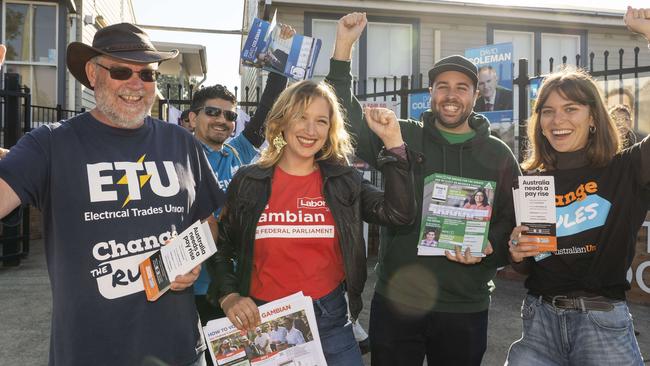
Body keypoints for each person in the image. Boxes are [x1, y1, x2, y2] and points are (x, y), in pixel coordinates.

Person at [0, 23, 225, 366]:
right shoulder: (50, 144)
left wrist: (192, 256)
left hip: (178, 352)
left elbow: (209, 220)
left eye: (148, 74)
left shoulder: (182, 144)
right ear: (93, 73)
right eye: (121, 70)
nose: (137, 84)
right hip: (88, 354)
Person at [326, 12, 521, 366]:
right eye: (442, 86)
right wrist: (344, 48)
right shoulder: (402, 134)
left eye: (462, 87)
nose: (451, 95)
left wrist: (490, 248)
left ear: (475, 95)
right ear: (430, 92)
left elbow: (514, 224)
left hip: (465, 306)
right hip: (397, 302)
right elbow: (345, 122)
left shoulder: (499, 153)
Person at [207, 80, 416, 366]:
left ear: (330, 130)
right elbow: (221, 247)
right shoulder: (248, 181)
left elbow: (398, 213)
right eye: (301, 117)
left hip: (330, 318)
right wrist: (229, 296)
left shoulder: (343, 181)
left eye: (321, 121)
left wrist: (393, 143)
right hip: (264, 318)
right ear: (282, 122)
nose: (310, 130)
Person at [505, 7, 650, 365]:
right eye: (548, 111)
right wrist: (516, 251)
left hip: (601, 323)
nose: (558, 120)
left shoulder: (626, 168)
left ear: (593, 117)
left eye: (571, 108)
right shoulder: (531, 180)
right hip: (538, 321)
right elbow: (529, 265)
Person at [188, 25, 292, 350]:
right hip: (191, 283)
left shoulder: (239, 151)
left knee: (236, 355)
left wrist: (282, 55)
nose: (222, 119)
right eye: (212, 112)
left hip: (235, 278)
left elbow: (267, 109)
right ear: (192, 118)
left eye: (230, 115)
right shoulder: (174, 156)